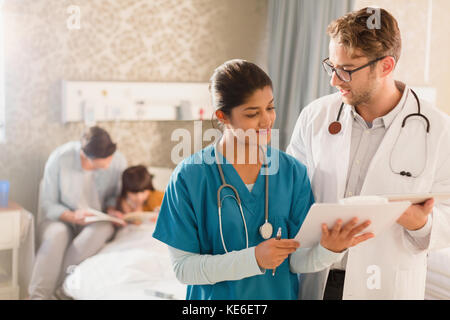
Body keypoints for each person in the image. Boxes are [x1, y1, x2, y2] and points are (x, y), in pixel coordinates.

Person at [152, 59, 374, 300]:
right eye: (252, 113)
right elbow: (184, 269)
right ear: (223, 116)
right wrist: (254, 259)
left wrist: (330, 250)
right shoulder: (190, 177)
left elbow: (297, 261)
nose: (267, 120)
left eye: (270, 107)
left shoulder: (291, 172)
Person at [287, 8, 450, 300]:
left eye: (347, 70)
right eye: (332, 66)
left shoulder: (439, 130)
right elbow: (290, 192)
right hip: (317, 276)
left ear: (386, 66)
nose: (334, 81)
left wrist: (419, 221)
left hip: (385, 285)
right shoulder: (315, 116)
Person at [29, 126, 127, 299]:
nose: (107, 166)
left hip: (96, 220)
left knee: (99, 231)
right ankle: (38, 296)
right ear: (84, 155)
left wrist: (113, 211)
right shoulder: (60, 158)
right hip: (60, 218)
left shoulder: (118, 161)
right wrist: (72, 216)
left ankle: (60, 291)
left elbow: (113, 197)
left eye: (109, 161)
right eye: (99, 164)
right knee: (56, 235)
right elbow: (48, 204)